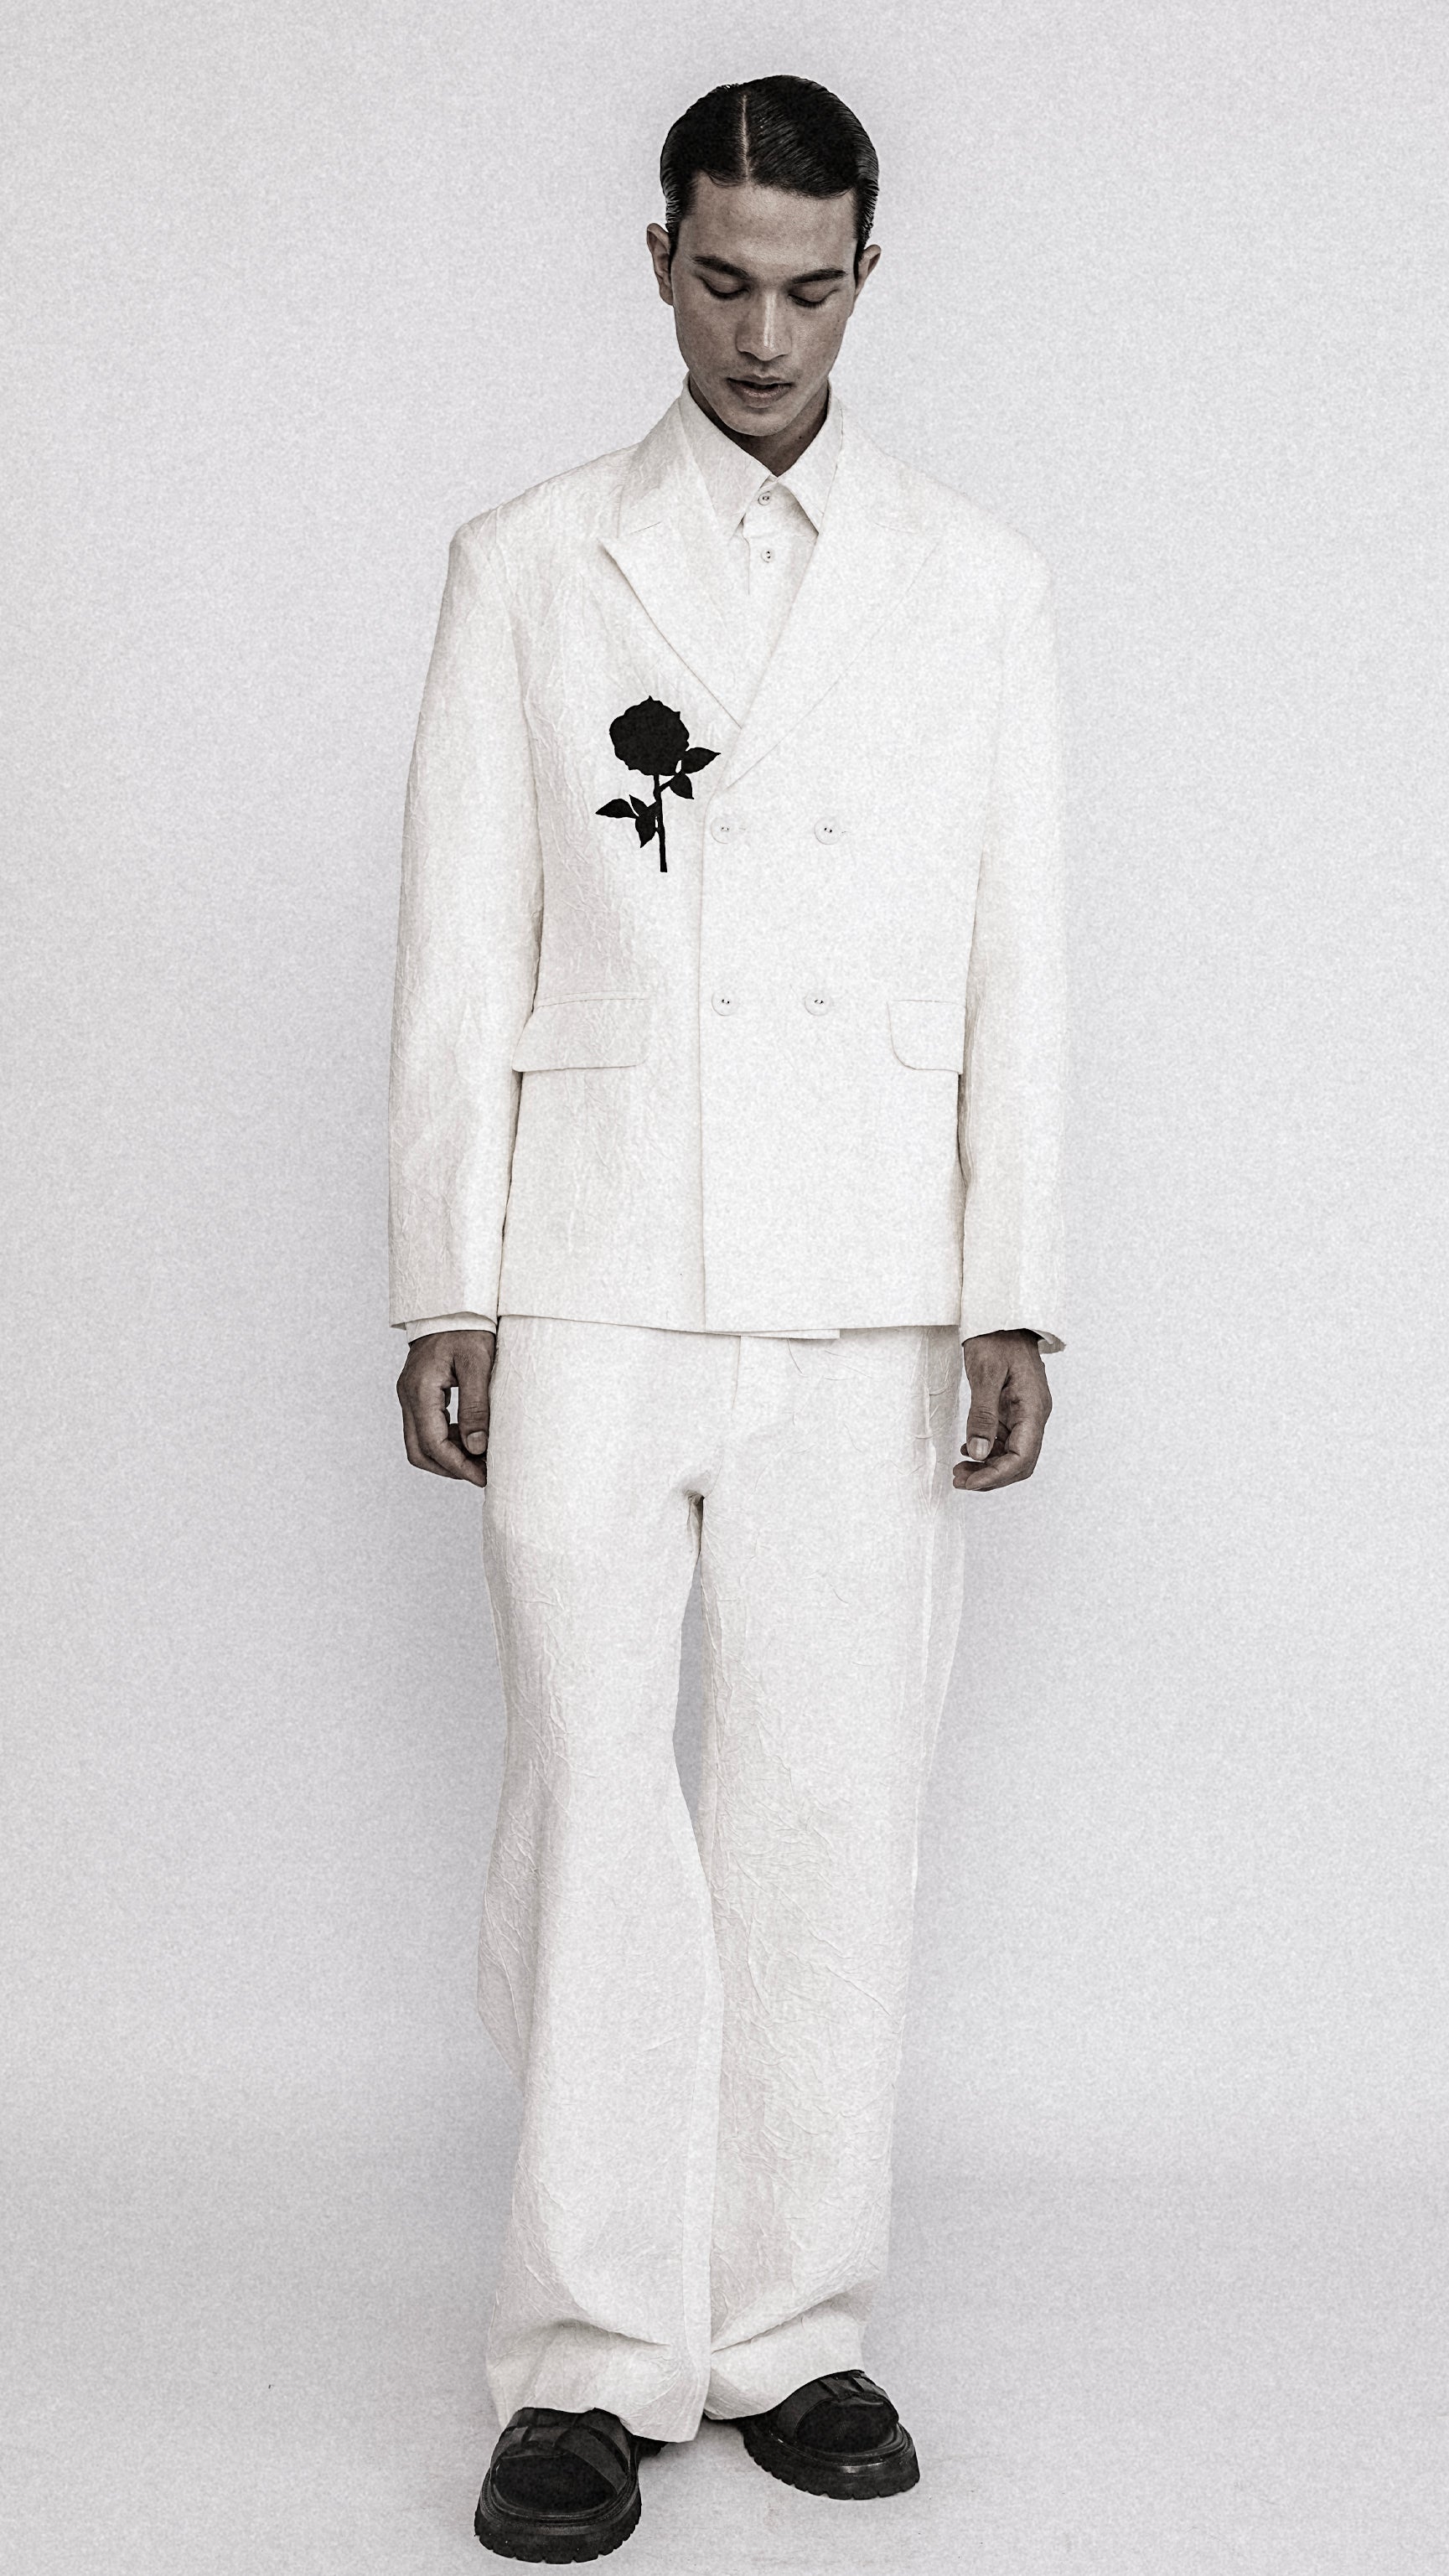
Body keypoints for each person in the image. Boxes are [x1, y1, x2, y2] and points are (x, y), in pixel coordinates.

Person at [391, 73, 1064, 2563]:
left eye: (807, 285)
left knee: (828, 1801)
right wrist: (445, 1272)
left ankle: (787, 2328)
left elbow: (1020, 953)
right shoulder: (532, 563)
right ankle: (587, 2356)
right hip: (586, 1255)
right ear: (656, 258)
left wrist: (1013, 1284)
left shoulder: (971, 579)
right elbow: (460, 937)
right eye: (721, 278)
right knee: (590, 1792)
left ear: (867, 275)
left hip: (872, 1268)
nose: (763, 332)